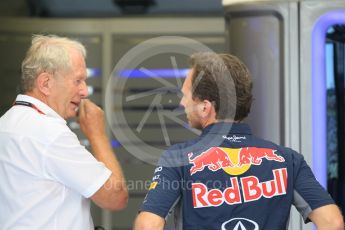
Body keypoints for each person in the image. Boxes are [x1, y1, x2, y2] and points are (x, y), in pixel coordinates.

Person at [134, 52, 344, 230]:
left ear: (205, 107)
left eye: (186, 96)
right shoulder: (288, 159)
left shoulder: (178, 159)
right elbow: (332, 222)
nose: (182, 103)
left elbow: (147, 225)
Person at [0, 34, 128, 229]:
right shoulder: (49, 132)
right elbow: (114, 197)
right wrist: (97, 134)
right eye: (78, 80)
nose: (85, 91)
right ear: (45, 83)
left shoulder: (7, 123)